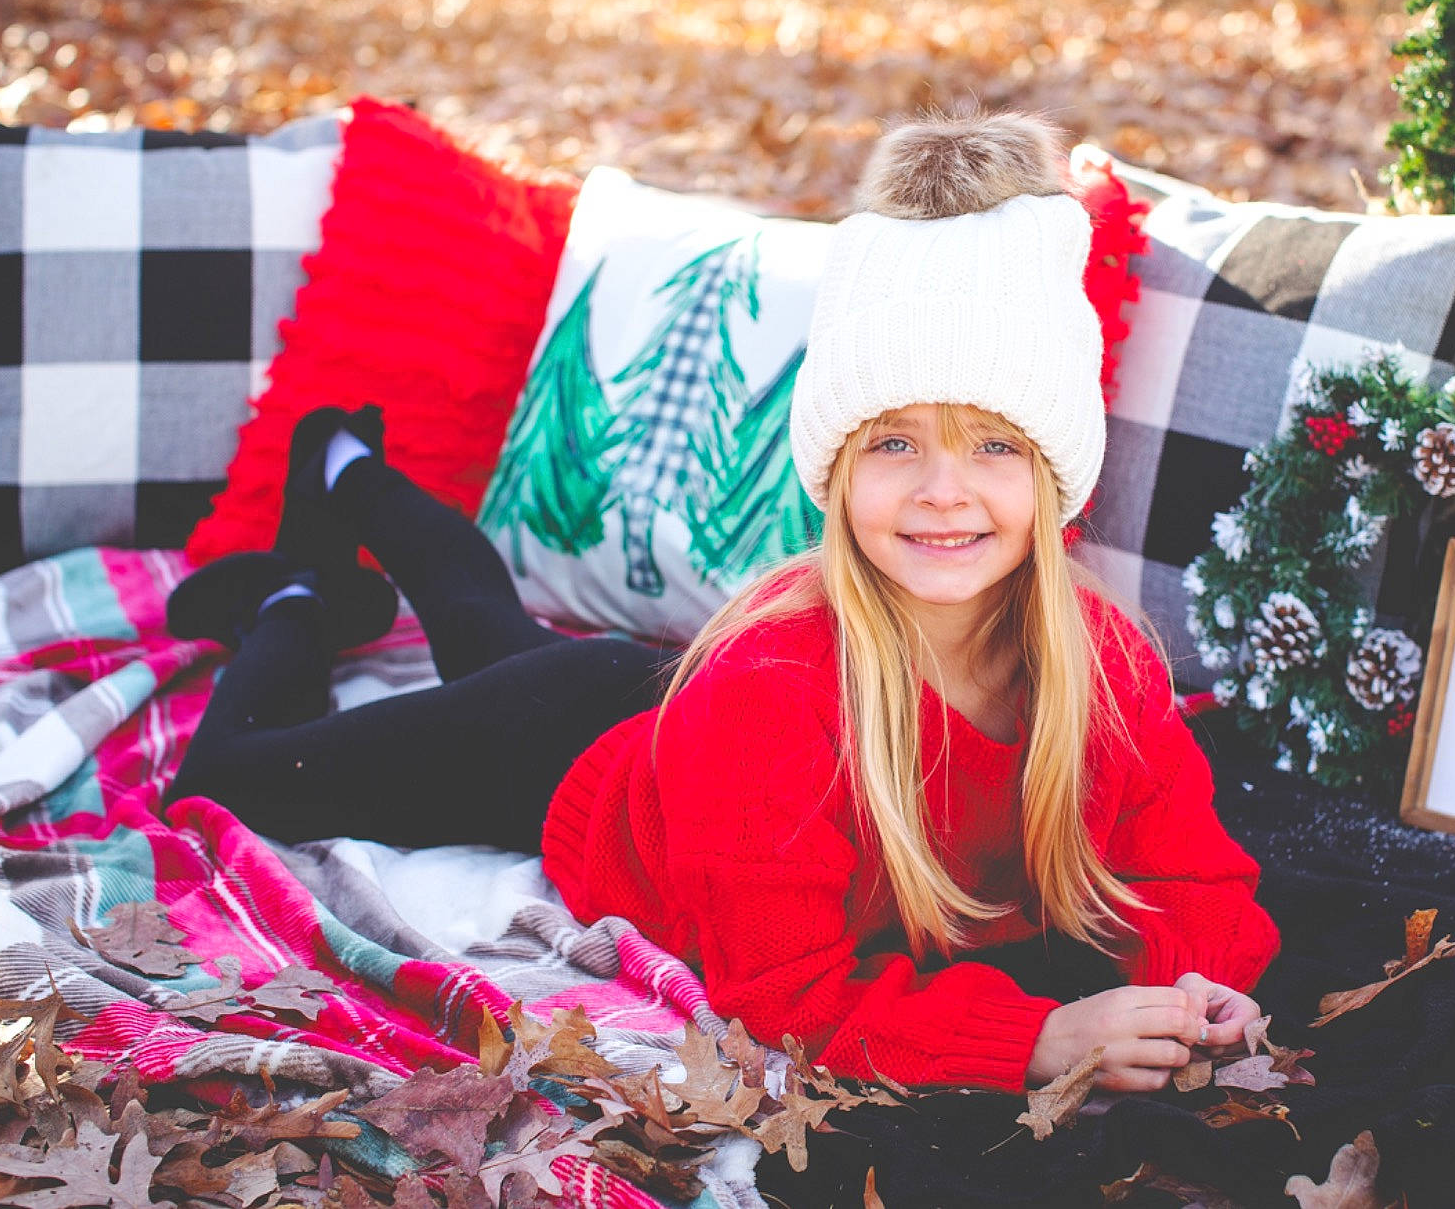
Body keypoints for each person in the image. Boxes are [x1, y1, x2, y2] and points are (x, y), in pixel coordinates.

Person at [166, 110, 1280, 1094]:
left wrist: (1199, 985)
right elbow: (786, 997)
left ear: (1051, 474)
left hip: (655, 718)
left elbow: (1188, 863)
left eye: (992, 444)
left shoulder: (1103, 660)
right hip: (569, 757)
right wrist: (1035, 1035)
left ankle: (344, 466)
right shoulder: (774, 693)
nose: (944, 492)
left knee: (481, 627)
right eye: (894, 442)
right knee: (238, 778)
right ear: (836, 472)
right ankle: (301, 590)